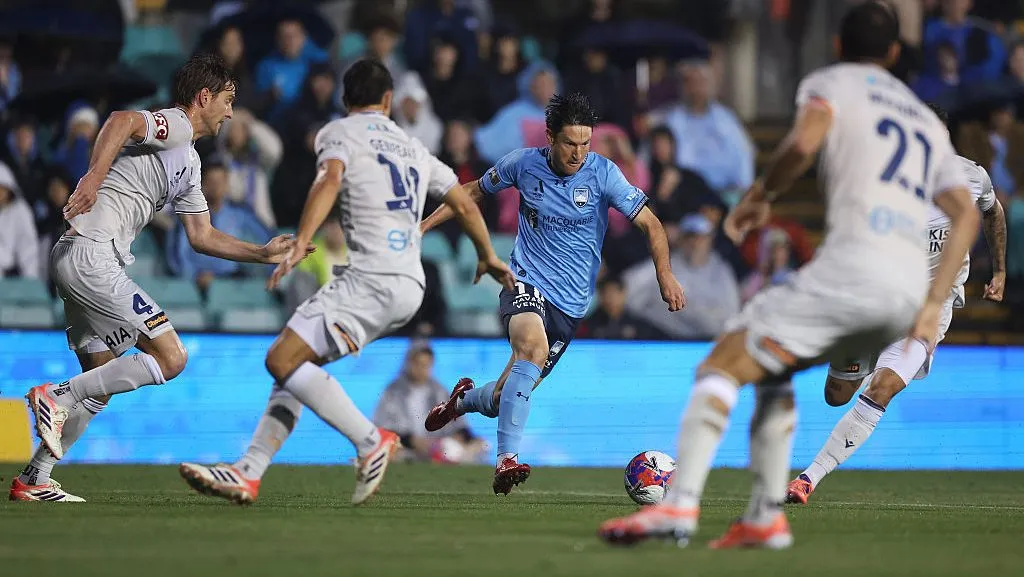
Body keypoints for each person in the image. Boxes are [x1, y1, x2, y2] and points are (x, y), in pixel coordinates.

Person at [597, 2, 978, 549]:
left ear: (839, 47)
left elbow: (802, 144)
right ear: (895, 54)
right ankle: (764, 516)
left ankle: (676, 511)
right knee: (776, 370)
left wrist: (759, 196)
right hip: (907, 293)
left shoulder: (834, 83)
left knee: (723, 361)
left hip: (856, 266)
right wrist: (932, 303)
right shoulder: (922, 119)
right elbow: (966, 213)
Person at [177, 59, 514, 506]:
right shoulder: (414, 147)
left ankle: (370, 440)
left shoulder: (338, 132)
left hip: (371, 277)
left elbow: (330, 180)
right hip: (410, 284)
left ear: (344, 100)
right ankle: (249, 471)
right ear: (389, 101)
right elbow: (467, 204)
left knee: (282, 358)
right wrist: (487, 255)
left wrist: (301, 239)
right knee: (296, 363)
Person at [12, 53, 309, 503]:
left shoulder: (188, 161)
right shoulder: (177, 124)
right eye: (228, 100)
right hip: (93, 255)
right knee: (171, 357)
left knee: (101, 380)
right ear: (203, 97)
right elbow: (121, 119)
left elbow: (201, 235)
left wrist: (261, 253)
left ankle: (35, 477)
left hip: (77, 256)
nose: (231, 112)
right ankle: (55, 395)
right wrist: (93, 177)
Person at [421, 91, 686, 495]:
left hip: (572, 305)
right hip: (524, 282)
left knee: (503, 396)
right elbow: (471, 191)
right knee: (531, 348)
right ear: (550, 137)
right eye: (570, 144)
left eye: (585, 143)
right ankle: (506, 460)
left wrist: (665, 274)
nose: (579, 153)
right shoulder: (522, 164)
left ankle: (460, 402)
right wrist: (421, 229)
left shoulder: (603, 174)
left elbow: (650, 224)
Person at [786, 111, 1007, 504]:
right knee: (836, 395)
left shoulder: (970, 177)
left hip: (928, 309)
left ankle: (807, 479)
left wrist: (1000, 270)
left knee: (883, 389)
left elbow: (993, 211)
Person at [373, 340, 486, 463]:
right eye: (418, 364)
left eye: (426, 365)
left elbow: (458, 424)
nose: (422, 369)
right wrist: (412, 441)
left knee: (479, 446)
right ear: (409, 363)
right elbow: (383, 428)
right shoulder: (393, 391)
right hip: (406, 449)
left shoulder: (439, 390)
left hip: (438, 448)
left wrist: (463, 438)